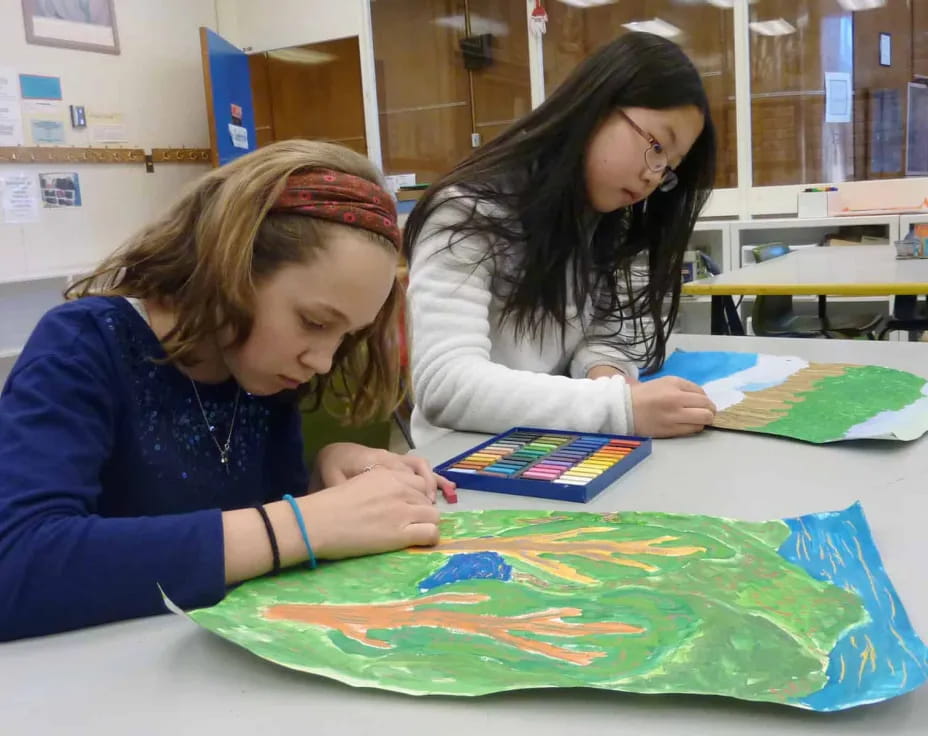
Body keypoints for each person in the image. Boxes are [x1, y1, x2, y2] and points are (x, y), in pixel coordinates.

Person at [0, 140, 452, 641]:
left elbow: (250, 528)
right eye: (313, 321)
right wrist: (305, 522)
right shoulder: (84, 343)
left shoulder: (260, 371)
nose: (322, 361)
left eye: (344, 336)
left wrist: (318, 482)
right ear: (230, 266)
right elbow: (19, 563)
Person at [404, 32, 719, 447]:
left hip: (562, 445)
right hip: (466, 461)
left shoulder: (607, 222)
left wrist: (609, 378)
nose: (653, 175)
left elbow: (609, 334)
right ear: (597, 106)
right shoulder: (466, 212)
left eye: (668, 167)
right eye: (657, 146)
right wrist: (619, 408)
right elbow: (445, 385)